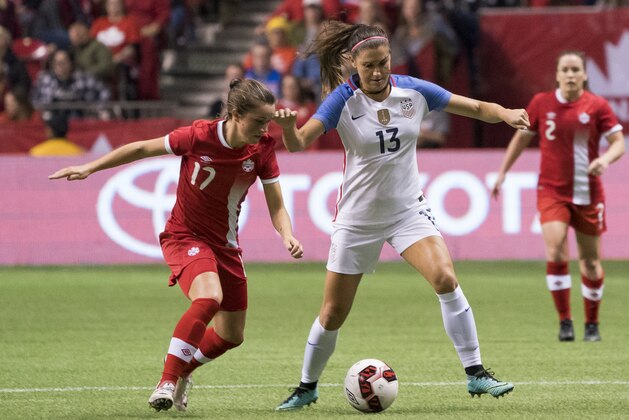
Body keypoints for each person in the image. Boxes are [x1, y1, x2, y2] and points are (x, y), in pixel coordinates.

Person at [272, 20, 530, 411]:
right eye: (368, 66)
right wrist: (289, 129)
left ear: (391, 58)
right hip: (358, 219)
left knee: (445, 277)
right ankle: (306, 386)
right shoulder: (342, 100)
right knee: (333, 312)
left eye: (383, 63)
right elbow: (299, 144)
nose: (377, 73)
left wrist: (506, 113)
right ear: (352, 63)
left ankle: (476, 373)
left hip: (407, 210)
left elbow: (475, 107)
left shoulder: (414, 90)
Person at [48, 78, 304, 412]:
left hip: (225, 245)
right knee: (209, 296)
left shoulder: (262, 149)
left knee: (231, 335)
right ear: (236, 114)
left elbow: (277, 205)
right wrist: (89, 167)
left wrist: (286, 234)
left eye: (268, 122)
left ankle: (184, 370)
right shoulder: (198, 136)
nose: (263, 128)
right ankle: (166, 382)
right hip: (185, 236)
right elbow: (141, 148)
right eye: (258, 121)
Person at [491, 51, 624, 343]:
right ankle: (565, 322)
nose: (571, 74)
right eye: (566, 69)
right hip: (551, 191)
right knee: (555, 252)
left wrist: (605, 160)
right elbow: (521, 138)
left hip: (588, 192)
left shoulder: (597, 106)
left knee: (589, 261)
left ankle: (592, 323)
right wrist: (502, 172)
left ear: (585, 75)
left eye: (576, 69)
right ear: (557, 74)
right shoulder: (541, 103)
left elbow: (618, 143)